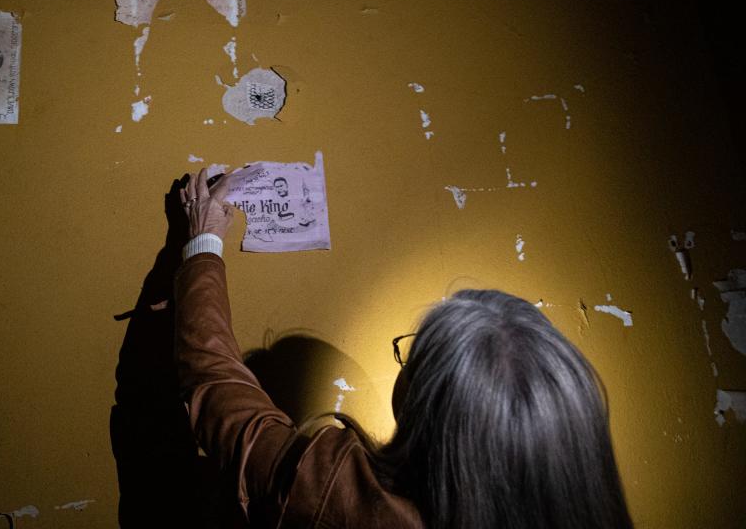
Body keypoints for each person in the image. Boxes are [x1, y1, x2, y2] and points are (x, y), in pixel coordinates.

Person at [175, 168, 634, 528]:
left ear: (423, 408)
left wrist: (203, 244)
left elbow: (219, 392)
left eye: (413, 360)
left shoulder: (350, 499)